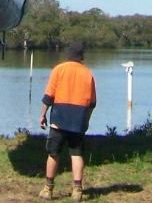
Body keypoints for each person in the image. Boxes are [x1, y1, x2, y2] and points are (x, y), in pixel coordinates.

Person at [39, 40, 97, 202]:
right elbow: (92, 103)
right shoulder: (87, 73)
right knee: (77, 154)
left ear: (68, 55)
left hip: (59, 118)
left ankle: (48, 189)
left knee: (53, 153)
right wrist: (85, 120)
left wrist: (42, 115)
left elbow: (48, 96)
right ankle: (77, 190)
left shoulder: (59, 69)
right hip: (78, 120)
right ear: (81, 56)